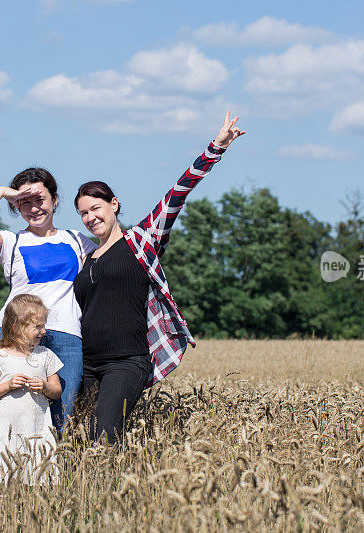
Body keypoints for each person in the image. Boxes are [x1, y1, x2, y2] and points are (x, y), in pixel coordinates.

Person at [73, 111, 245, 444]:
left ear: (114, 204)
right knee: (77, 441)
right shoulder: (84, 257)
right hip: (87, 364)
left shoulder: (141, 239)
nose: (91, 217)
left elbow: (178, 193)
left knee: (102, 437)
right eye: (83, 212)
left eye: (97, 208)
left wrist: (215, 148)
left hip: (126, 361)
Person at [0, 168, 96, 432]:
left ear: (55, 200)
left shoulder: (76, 240)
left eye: (40, 199)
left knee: (61, 419)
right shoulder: (10, 242)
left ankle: (51, 473)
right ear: (16, 205)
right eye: (25, 201)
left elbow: (111, 262)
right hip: (15, 332)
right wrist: (2, 192)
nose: (34, 208)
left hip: (66, 333)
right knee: (11, 414)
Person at [0, 294, 63, 485]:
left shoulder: (45, 355)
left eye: (44, 325)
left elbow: (56, 391)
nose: (43, 331)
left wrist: (44, 386)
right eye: (37, 327)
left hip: (38, 428)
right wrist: (7, 385)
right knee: (5, 479)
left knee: (40, 477)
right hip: (7, 429)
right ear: (17, 327)